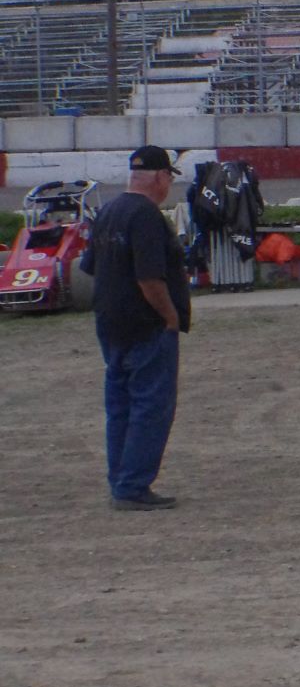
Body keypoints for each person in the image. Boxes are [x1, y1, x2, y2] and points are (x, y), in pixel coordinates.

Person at [80, 146, 191, 511]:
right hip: (147, 325)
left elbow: (91, 266)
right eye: (169, 178)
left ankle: (121, 480)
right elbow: (149, 278)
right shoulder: (146, 216)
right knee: (151, 406)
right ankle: (133, 486)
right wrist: (170, 316)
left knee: (121, 407)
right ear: (161, 176)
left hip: (111, 323)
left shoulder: (108, 211)